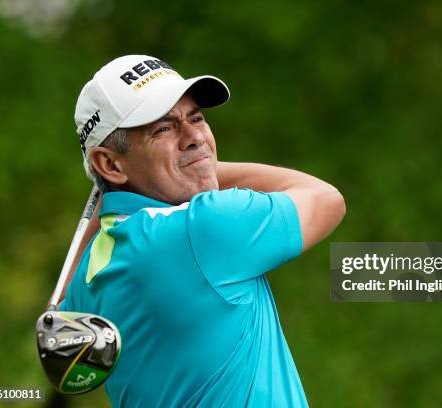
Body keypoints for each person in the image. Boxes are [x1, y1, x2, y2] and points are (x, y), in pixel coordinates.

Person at [60, 54, 345, 407]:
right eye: (163, 128)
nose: (195, 135)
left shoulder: (89, 273)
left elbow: (62, 320)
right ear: (110, 163)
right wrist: (204, 161)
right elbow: (325, 198)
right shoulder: (202, 228)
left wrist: (174, 166)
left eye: (196, 118)